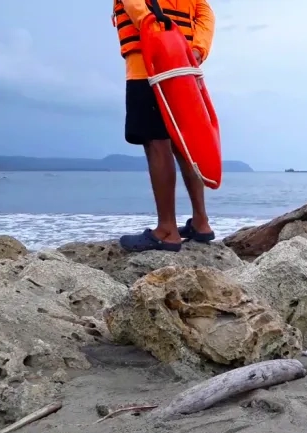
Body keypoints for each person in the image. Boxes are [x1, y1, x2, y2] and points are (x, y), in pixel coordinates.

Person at [113, 0, 216, 252]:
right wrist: (197, 49)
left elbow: (137, 8)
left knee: (156, 142)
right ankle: (201, 222)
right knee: (184, 144)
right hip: (183, 65)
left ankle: (166, 231)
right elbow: (205, 14)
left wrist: (152, 30)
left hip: (147, 63)